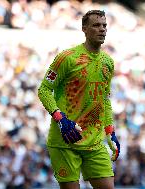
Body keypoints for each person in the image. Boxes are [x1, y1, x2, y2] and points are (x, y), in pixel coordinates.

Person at [37, 10, 120, 189]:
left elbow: (104, 98)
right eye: (96, 25)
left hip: (94, 141)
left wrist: (110, 130)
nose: (102, 29)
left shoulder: (108, 62)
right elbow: (44, 89)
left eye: (104, 25)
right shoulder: (67, 58)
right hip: (66, 139)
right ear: (84, 29)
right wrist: (61, 119)